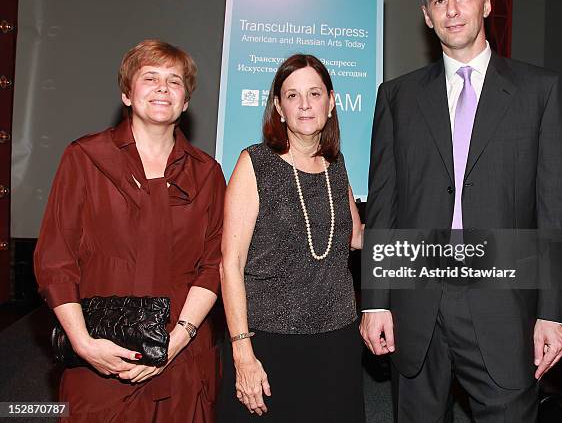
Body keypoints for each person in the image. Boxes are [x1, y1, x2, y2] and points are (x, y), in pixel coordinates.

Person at [360, 0, 562, 422]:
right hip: (416, 306)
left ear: (486, 2)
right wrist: (374, 301)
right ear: (426, 15)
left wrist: (554, 313)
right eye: (439, 1)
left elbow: (556, 213)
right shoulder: (396, 97)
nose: (452, 10)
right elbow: (384, 207)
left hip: (505, 308)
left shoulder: (540, 92)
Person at [34, 39, 225, 422]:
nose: (162, 88)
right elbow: (56, 260)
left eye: (174, 81)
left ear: (186, 101)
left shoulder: (207, 173)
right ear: (126, 92)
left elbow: (213, 265)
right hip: (100, 355)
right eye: (150, 77)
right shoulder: (84, 158)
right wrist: (84, 344)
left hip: (183, 357)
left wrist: (173, 344)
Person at [219, 54, 365, 422]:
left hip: (337, 344)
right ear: (278, 107)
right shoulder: (254, 163)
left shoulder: (338, 164)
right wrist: (242, 353)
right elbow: (230, 265)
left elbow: (357, 237)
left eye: (314, 94)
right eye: (292, 95)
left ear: (331, 103)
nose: (304, 104)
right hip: (269, 345)